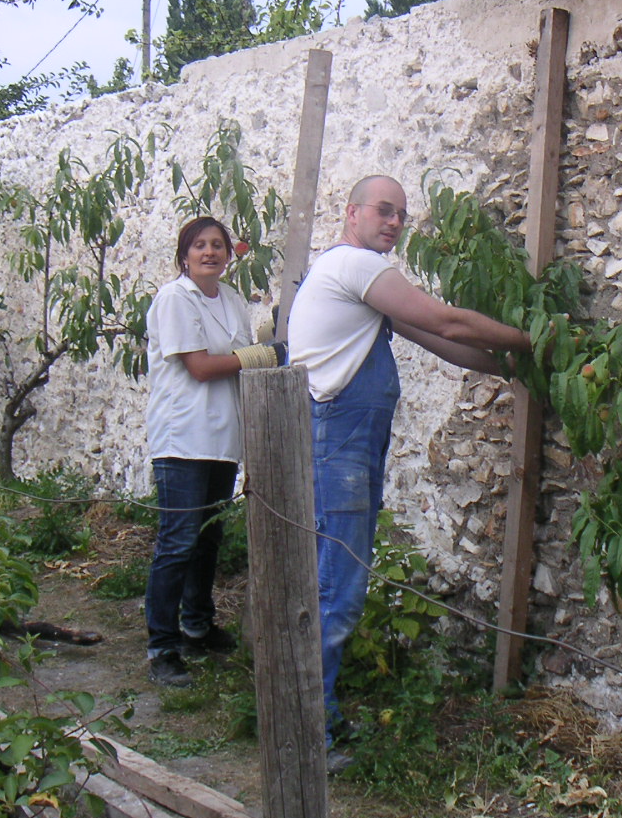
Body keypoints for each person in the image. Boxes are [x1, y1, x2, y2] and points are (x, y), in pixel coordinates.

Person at [287, 175, 531, 769]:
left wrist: (514, 368)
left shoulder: (359, 285)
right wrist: (533, 339)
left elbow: (442, 344)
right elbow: (448, 323)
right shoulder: (354, 265)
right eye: (383, 210)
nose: (394, 222)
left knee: (334, 583)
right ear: (352, 213)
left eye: (401, 214)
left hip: (348, 441)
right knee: (336, 591)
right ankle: (307, 735)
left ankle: (315, 716)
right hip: (339, 439)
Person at [144, 215, 285, 688]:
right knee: (178, 542)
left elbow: (237, 361)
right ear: (184, 256)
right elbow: (202, 368)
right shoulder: (174, 298)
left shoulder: (231, 300)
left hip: (222, 439)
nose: (210, 252)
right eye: (200, 245)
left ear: (228, 254)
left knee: (207, 540)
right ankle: (162, 647)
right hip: (183, 438)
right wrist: (265, 354)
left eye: (218, 245)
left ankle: (197, 627)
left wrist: (269, 345)